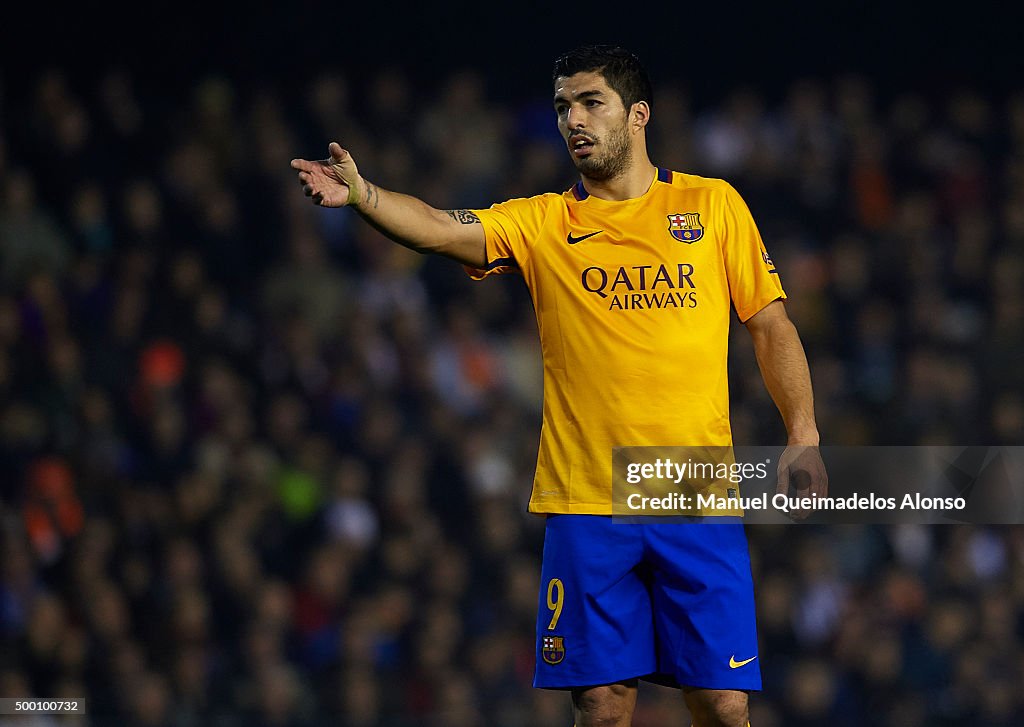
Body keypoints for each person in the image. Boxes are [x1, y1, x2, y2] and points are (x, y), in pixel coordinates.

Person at [291, 45, 826, 727]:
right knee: (603, 706)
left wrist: (803, 432)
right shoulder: (544, 221)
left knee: (722, 704)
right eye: (562, 107)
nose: (573, 119)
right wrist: (362, 195)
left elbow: (771, 326)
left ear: (638, 115)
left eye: (590, 102)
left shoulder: (713, 207)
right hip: (586, 497)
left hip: (694, 491)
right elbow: (440, 229)